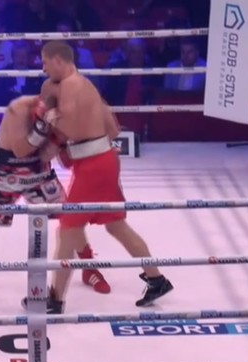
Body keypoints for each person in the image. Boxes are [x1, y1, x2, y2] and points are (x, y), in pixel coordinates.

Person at [23, 40, 174, 313]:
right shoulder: (86, 87)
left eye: (45, 62)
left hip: (93, 167)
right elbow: (113, 129)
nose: (43, 68)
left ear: (58, 60)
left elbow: (69, 128)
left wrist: (52, 125)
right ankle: (156, 279)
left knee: (68, 231)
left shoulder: (72, 86)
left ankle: (55, 300)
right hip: (103, 161)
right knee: (116, 225)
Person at [0, 94, 110, 295]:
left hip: (38, 169)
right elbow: (20, 150)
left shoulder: (65, 119)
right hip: (7, 171)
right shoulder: (18, 109)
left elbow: (53, 157)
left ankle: (89, 267)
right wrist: (43, 128)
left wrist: (59, 138)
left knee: (70, 219)